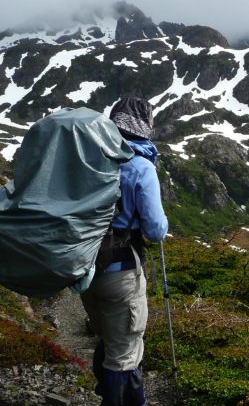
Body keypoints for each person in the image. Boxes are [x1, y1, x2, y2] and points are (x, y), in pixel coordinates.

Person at [81, 95, 169, 406]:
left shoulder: (89, 157)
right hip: (121, 271)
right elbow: (155, 231)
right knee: (124, 353)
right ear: (145, 128)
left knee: (112, 340)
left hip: (85, 266)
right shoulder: (140, 166)